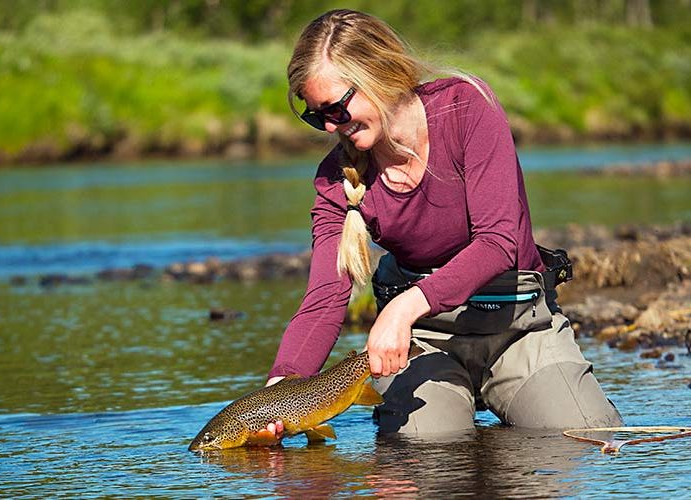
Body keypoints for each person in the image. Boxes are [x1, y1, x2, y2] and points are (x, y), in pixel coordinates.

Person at [262, 8, 622, 438]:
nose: (329, 126)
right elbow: (325, 296)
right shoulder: (334, 179)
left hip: (519, 327)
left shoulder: (467, 107)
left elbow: (499, 242)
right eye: (315, 115)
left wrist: (402, 306)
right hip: (421, 344)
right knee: (427, 453)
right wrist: (281, 388)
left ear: (381, 72)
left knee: (588, 437)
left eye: (337, 109)